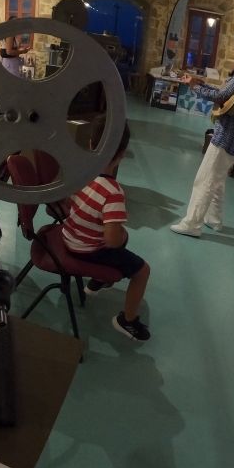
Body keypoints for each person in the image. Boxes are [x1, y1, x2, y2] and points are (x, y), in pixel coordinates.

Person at [62, 119, 151, 341]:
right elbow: (111, 241)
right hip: (88, 249)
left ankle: (97, 281)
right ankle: (127, 320)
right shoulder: (113, 192)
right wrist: (122, 234)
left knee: (119, 240)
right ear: (122, 154)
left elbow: (66, 205)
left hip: (68, 236)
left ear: (91, 143)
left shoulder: (81, 172)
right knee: (142, 271)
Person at [171, 28, 234, 237]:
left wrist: (195, 87)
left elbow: (221, 96)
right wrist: (198, 83)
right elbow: (225, 94)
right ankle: (214, 220)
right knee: (217, 180)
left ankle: (192, 224)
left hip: (229, 134)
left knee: (205, 180)